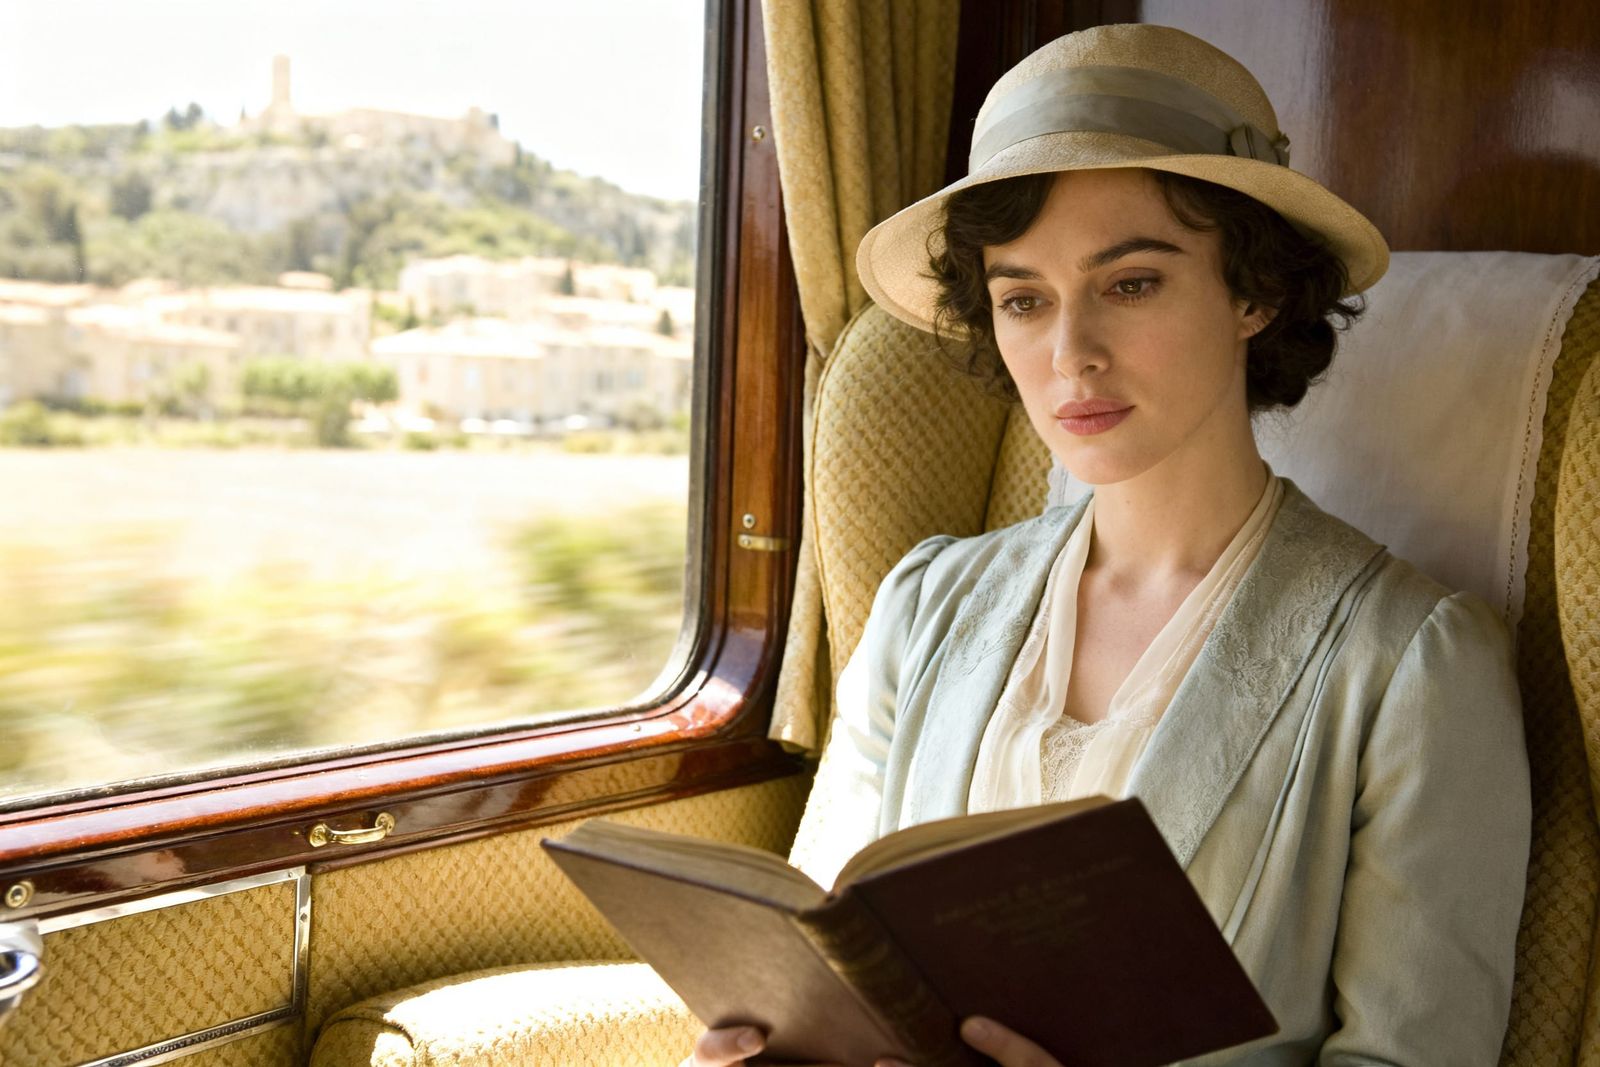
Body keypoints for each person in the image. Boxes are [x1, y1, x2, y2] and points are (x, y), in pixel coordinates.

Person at [685, 23, 1530, 1067]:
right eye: (1023, 299)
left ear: (1254, 291)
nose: (1069, 353)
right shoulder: (926, 603)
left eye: (1131, 282)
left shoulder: (1413, 663)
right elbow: (815, 952)